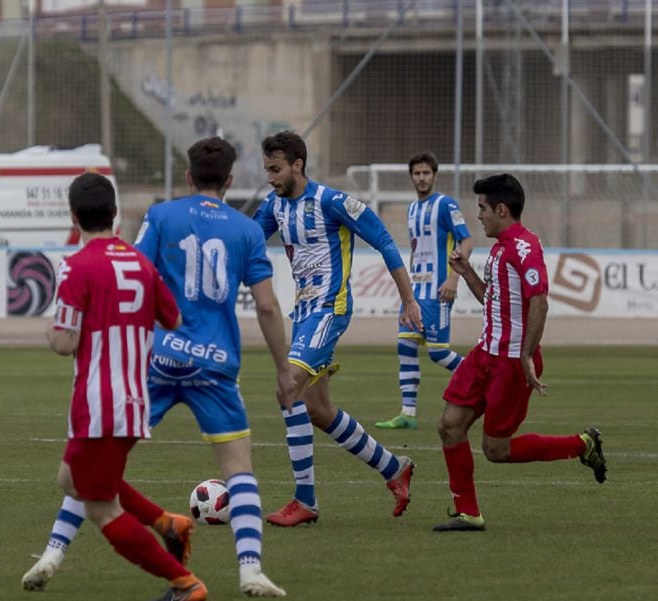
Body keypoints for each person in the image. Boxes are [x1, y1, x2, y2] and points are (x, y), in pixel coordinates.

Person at [23, 138, 290, 599]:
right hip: (216, 365)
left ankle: (52, 552)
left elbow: (132, 271)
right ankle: (250, 570)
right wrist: (284, 370)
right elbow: (267, 307)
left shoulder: (163, 216)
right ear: (229, 180)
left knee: (93, 460)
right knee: (238, 469)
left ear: (187, 177)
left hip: (157, 363)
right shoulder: (247, 231)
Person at [27, 172, 208, 601]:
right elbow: (174, 320)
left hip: (97, 402)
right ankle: (168, 524)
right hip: (132, 397)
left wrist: (49, 331)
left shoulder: (76, 265)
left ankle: (185, 582)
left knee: (99, 505)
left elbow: (65, 342)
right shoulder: (140, 263)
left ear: (74, 216)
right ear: (114, 214)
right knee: (71, 479)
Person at [254, 131, 422, 527]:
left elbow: (384, 241)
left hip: (331, 308)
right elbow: (245, 240)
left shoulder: (332, 202)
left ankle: (305, 500)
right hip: (304, 314)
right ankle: (393, 468)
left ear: (298, 164)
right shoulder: (274, 206)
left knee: (288, 389)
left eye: (275, 169)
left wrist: (409, 299)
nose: (270, 178)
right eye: (266, 170)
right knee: (318, 409)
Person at [433, 173, 607, 531]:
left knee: (496, 450)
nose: (478, 216)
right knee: (450, 425)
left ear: (501, 209)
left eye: (482, 209)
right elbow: (492, 301)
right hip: (485, 354)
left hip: (512, 362)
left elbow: (539, 303)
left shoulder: (524, 247)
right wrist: (466, 273)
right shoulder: (498, 248)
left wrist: (527, 355)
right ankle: (468, 513)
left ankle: (581, 444)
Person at [375, 152, 474, 430]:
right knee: (405, 346)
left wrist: (454, 279)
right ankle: (408, 414)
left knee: (438, 353)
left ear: (434, 175)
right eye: (417, 174)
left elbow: (467, 241)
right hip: (415, 291)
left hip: (438, 290)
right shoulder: (412, 209)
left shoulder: (445, 205)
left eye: (426, 173)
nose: (421, 178)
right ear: (411, 177)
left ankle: (483, 380)